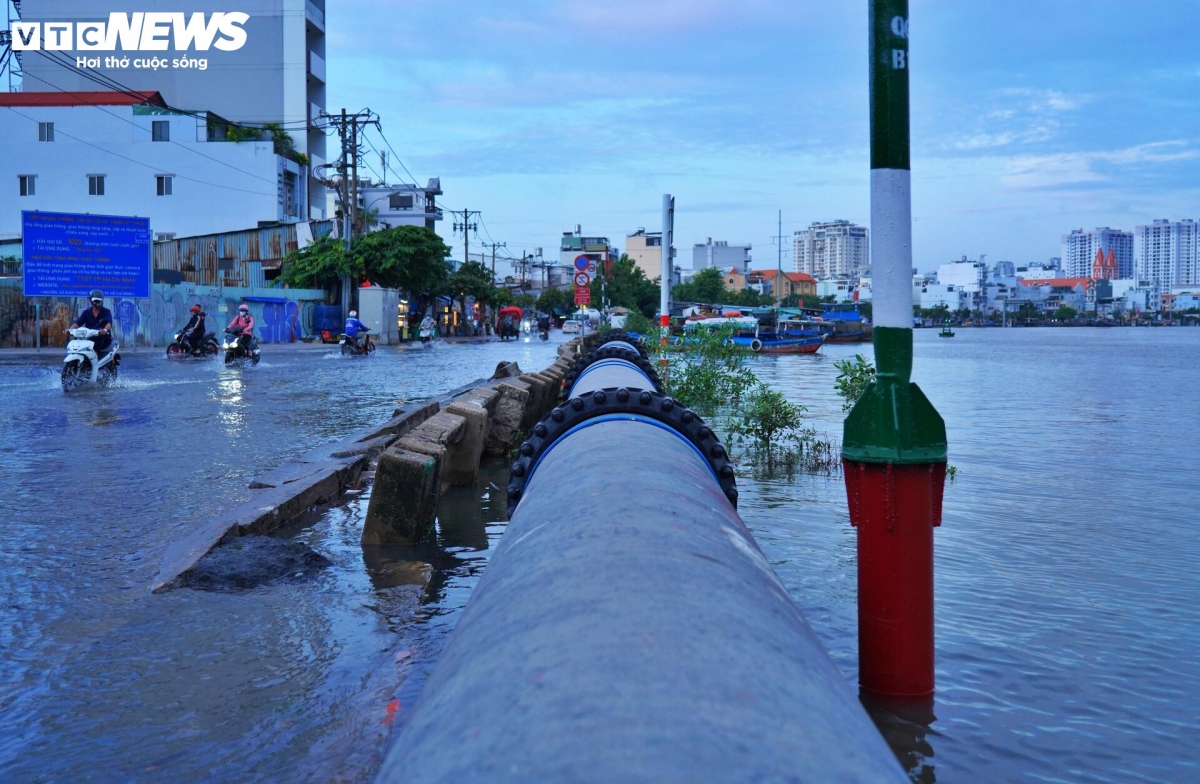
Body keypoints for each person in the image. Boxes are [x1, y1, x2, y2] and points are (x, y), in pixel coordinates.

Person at [68, 290, 114, 356]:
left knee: (100, 338)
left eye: (98, 301)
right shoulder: (87, 312)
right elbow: (78, 323)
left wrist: (105, 330)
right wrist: (70, 329)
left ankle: (96, 354)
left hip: (103, 338)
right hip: (89, 337)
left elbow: (109, 323)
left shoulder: (106, 311)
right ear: (91, 300)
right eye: (95, 301)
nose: (97, 303)